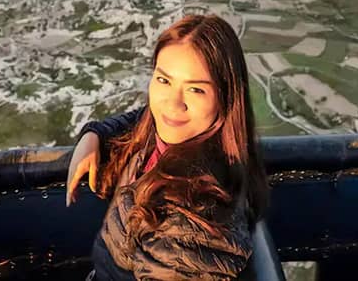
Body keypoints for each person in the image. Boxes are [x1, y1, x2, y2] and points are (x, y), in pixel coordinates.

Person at [66, 14, 269, 280]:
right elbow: (142, 117)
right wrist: (94, 135)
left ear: (225, 97)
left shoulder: (191, 227)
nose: (172, 104)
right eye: (164, 80)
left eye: (196, 90)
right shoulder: (176, 134)